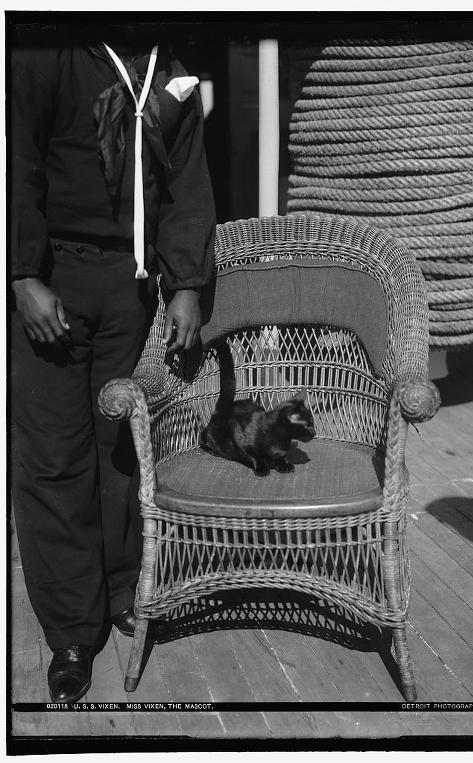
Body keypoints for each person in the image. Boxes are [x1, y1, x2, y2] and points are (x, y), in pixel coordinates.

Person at [10, 23, 216, 703]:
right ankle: (72, 629)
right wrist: (21, 275)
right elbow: (16, 160)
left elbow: (186, 182)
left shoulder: (168, 66)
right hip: (53, 277)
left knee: (120, 447)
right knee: (54, 454)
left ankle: (122, 586)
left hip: (130, 286)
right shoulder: (48, 48)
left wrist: (187, 283)